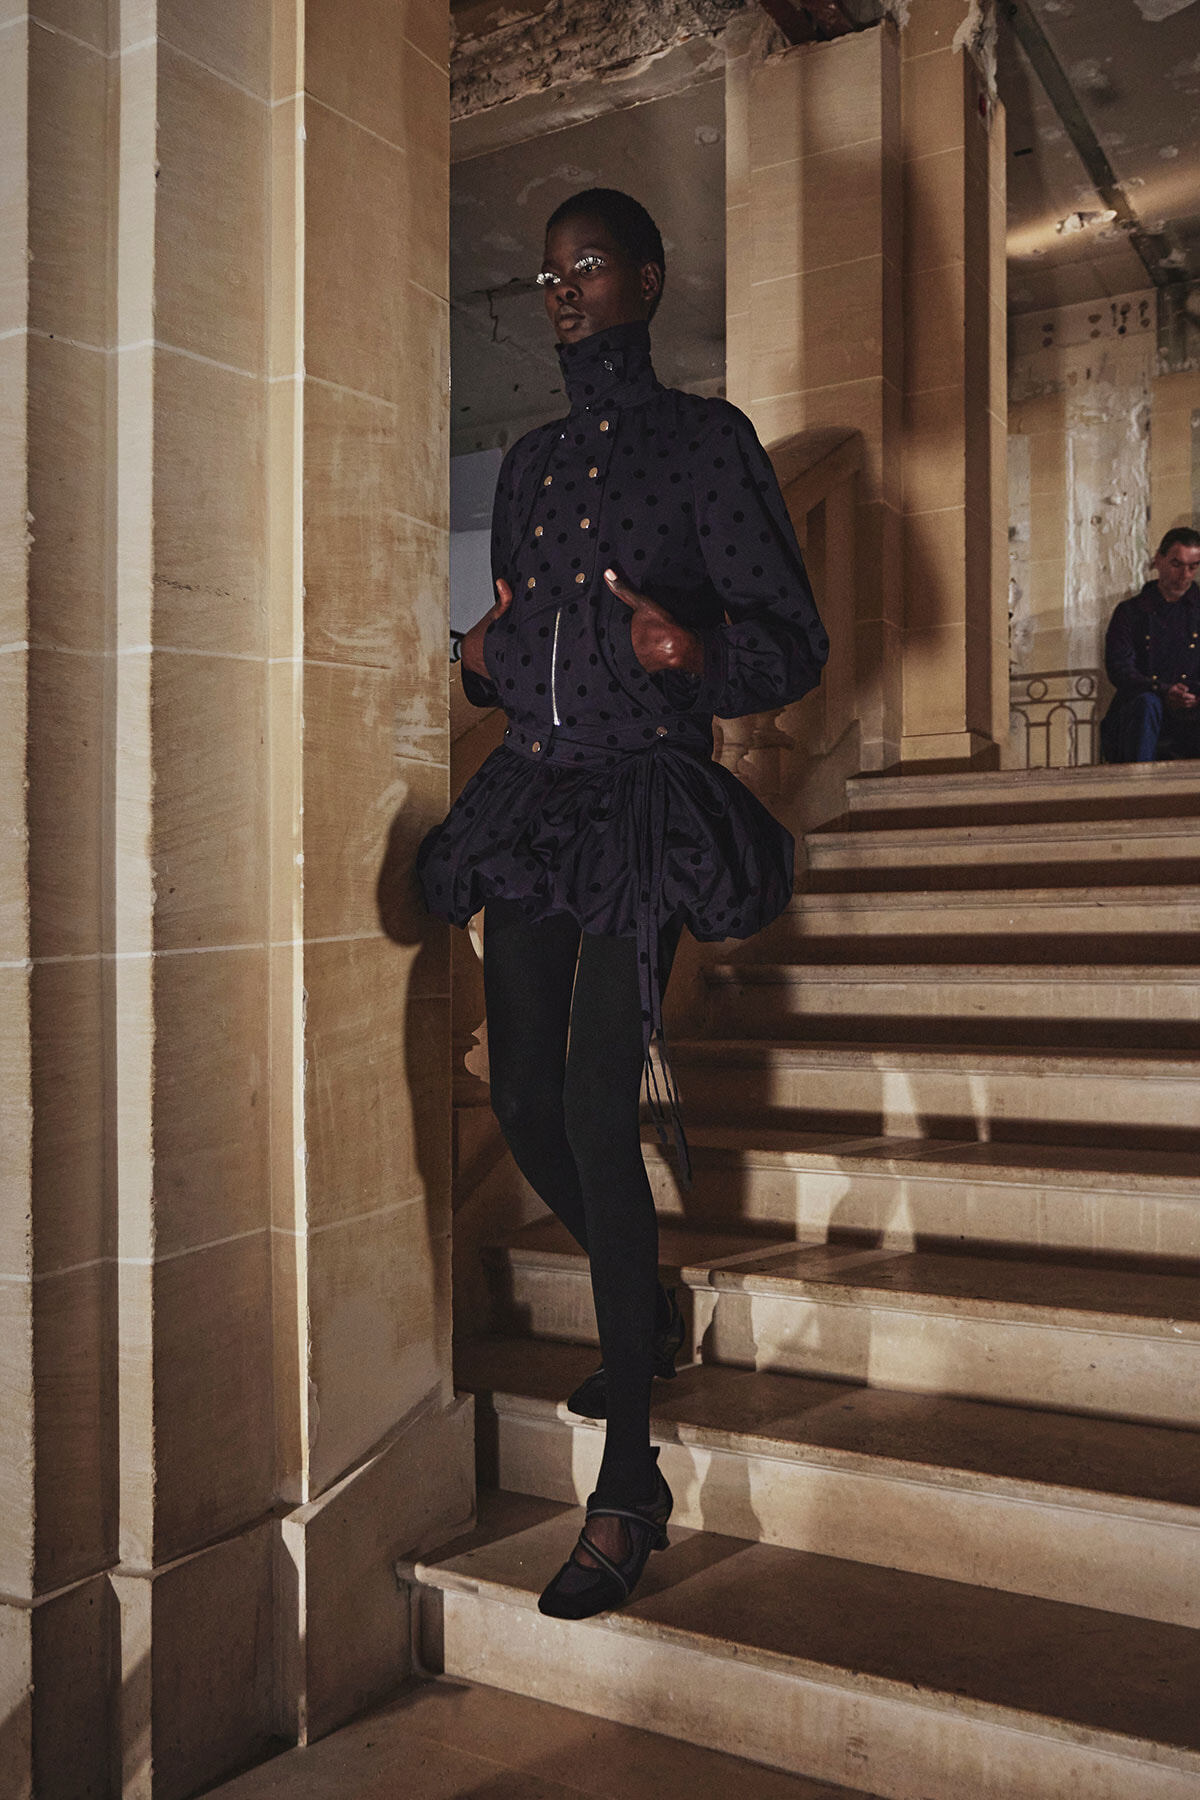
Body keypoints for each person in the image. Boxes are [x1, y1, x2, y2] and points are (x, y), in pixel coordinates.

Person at [418, 188, 827, 1621]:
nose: (562, 289)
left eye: (587, 265)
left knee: (597, 1101)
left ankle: (630, 1485)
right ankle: (638, 1298)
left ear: (647, 282)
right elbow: (525, 632)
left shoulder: (709, 443)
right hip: (538, 796)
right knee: (525, 1090)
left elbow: (793, 645)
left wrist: (692, 652)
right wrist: (481, 660)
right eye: (547, 273)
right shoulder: (530, 464)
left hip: (645, 800)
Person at [1100, 527, 1200, 763]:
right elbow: (1120, 669)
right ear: (1158, 560)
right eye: (1177, 564)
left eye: (1193, 566)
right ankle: (1140, 782)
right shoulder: (1131, 612)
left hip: (1193, 712)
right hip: (1143, 711)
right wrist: (1163, 690)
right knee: (1147, 703)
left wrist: (1194, 695)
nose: (1185, 575)